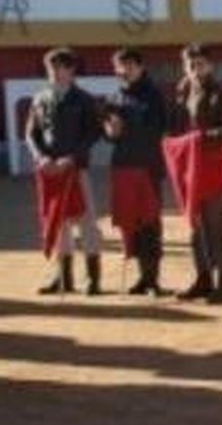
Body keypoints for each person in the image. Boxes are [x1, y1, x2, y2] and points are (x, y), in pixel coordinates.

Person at [25, 47, 103, 296]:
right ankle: (64, 279)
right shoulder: (40, 99)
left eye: (60, 68)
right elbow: (31, 133)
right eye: (51, 68)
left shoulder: (84, 99)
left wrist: (71, 157)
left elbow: (93, 133)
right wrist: (41, 157)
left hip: (75, 168)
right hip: (50, 171)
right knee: (58, 223)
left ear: (72, 70)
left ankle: (93, 279)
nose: (55, 73)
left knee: (87, 222)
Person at [172, 44, 222, 304]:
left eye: (200, 64)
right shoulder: (182, 92)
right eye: (190, 65)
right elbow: (177, 128)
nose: (195, 70)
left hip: (212, 166)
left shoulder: (220, 94)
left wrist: (199, 138)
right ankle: (203, 277)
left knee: (217, 223)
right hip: (190, 167)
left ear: (210, 66)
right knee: (195, 224)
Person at [104, 47, 170, 296]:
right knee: (130, 221)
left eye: (130, 65)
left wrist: (126, 128)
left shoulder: (153, 95)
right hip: (123, 165)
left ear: (141, 67)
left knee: (150, 221)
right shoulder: (114, 97)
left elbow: (157, 129)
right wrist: (111, 132)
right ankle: (142, 277)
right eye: (121, 66)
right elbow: (109, 133)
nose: (125, 70)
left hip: (147, 166)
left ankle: (153, 279)